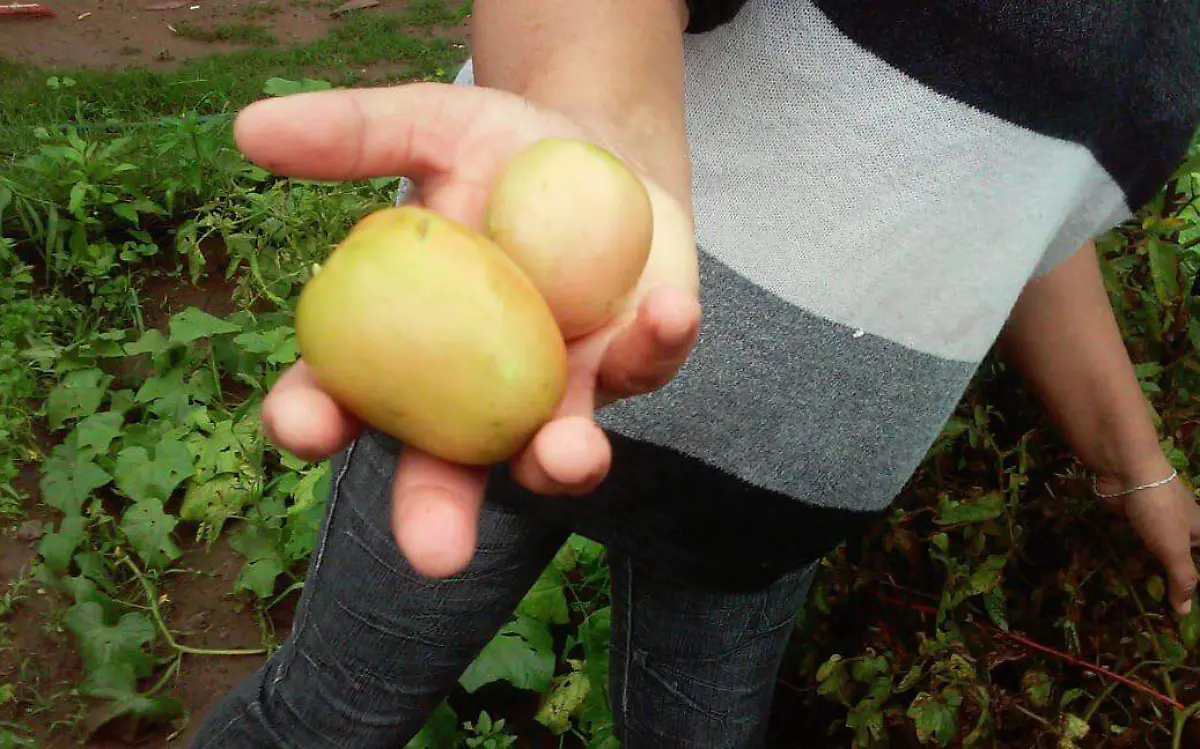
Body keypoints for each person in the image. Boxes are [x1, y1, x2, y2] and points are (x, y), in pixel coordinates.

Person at [193, 1, 1200, 746]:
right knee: (321, 722)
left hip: (775, 501)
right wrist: (593, 116)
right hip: (537, 391)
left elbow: (1008, 206)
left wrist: (1133, 458)